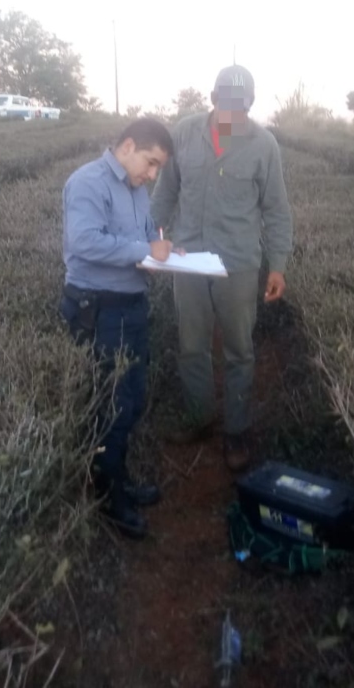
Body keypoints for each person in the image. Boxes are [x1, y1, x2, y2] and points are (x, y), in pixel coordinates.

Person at [150, 64, 293, 472]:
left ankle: (237, 431)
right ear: (212, 99)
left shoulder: (263, 145)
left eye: (241, 106)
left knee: (239, 351)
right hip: (189, 261)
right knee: (192, 347)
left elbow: (277, 210)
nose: (232, 113)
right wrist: (151, 237)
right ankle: (200, 418)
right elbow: (165, 194)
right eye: (226, 104)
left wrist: (278, 265)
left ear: (249, 104)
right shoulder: (185, 133)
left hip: (238, 264)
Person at [59, 117, 181, 539]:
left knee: (129, 399)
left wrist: (166, 251)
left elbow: (147, 237)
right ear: (127, 146)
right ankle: (108, 499)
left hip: (131, 306)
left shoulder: (137, 190)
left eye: (157, 169)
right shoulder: (88, 183)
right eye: (150, 163)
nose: (151, 175)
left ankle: (119, 479)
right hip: (99, 310)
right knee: (108, 405)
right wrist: (145, 249)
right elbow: (84, 241)